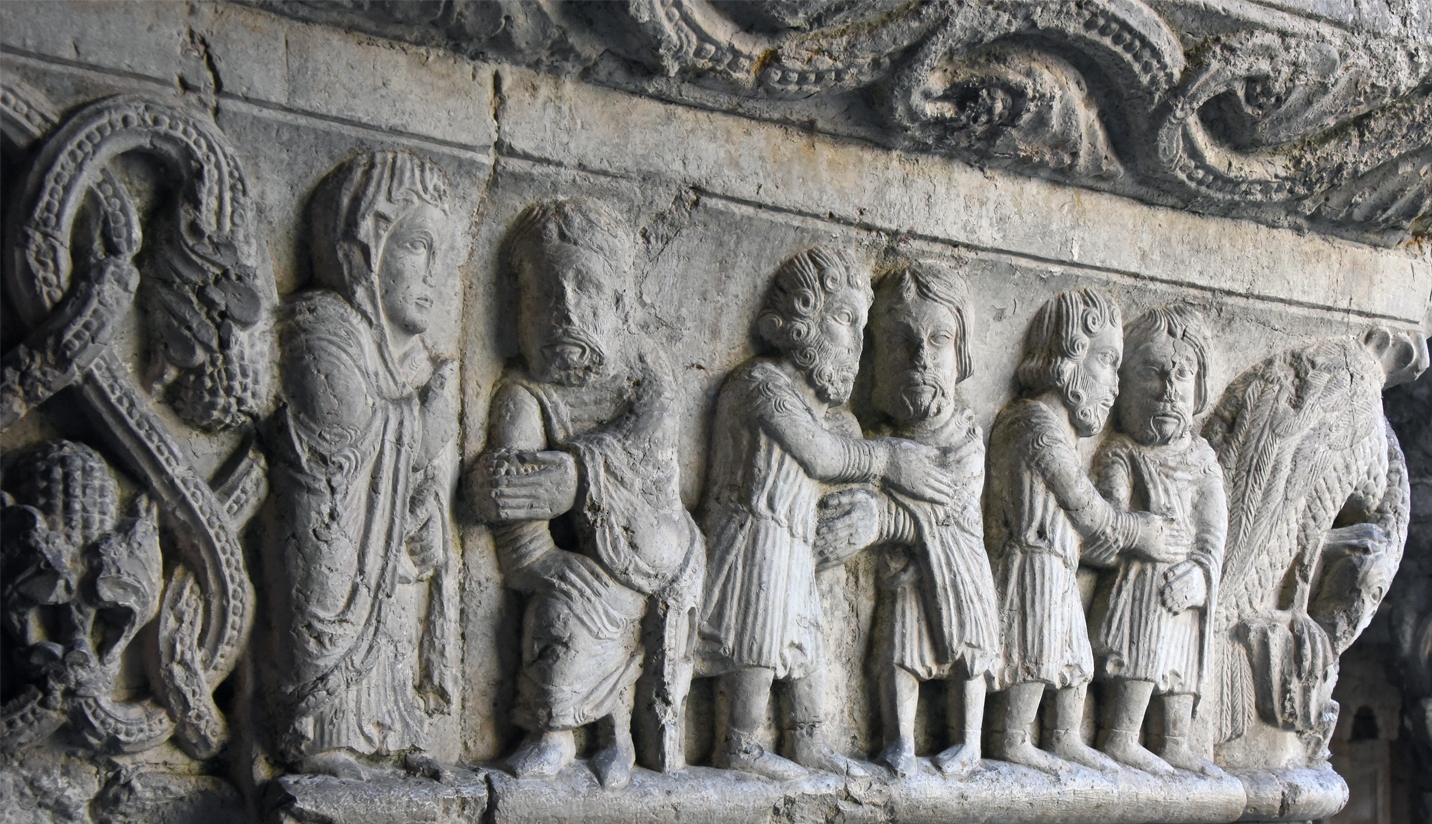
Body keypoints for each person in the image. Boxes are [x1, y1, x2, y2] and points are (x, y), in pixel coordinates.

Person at [471, 198, 702, 789]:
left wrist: (571, 477)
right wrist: (547, 561)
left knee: (629, 589)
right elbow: (506, 505)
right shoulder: (522, 394)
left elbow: (646, 459)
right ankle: (555, 735)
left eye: (587, 289)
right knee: (561, 610)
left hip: (660, 549)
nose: (566, 310)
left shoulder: (646, 371)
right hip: (574, 565)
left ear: (621, 305)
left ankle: (618, 736)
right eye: (545, 294)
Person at [698, 247, 954, 780]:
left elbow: (836, 455)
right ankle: (740, 742)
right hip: (755, 543)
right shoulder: (762, 385)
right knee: (758, 640)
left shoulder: (822, 411)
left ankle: (809, 739)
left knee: (805, 642)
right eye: (844, 318)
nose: (856, 341)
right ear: (800, 320)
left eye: (862, 326)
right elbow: (819, 456)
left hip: (793, 544)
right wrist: (888, 459)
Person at [274, 150, 460, 779]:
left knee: (399, 607)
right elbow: (344, 438)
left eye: (441, 255)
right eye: (417, 247)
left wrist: (427, 504)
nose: (433, 273)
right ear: (367, 245)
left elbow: (418, 475)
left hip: (392, 571)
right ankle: (319, 727)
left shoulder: (414, 360)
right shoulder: (320, 330)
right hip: (329, 559)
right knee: (329, 571)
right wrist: (426, 418)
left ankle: (393, 731)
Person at [986, 289, 1182, 776]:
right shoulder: (1034, 424)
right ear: (1069, 356)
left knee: (1074, 663)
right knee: (1032, 654)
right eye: (1108, 362)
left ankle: (1065, 738)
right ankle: (1011, 739)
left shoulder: (1061, 431)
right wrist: (1139, 531)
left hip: (1059, 565)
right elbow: (1087, 510)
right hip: (1031, 566)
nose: (1114, 385)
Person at [844, 264, 999, 778]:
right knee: (898, 651)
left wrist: (886, 517)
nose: (921, 358)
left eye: (938, 340)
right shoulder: (877, 440)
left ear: (962, 355)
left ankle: (970, 743)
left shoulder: (965, 436)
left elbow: (951, 503)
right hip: (906, 576)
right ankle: (899, 743)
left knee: (970, 654)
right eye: (901, 341)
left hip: (961, 570)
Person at [1089, 304, 1227, 776]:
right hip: (1138, 591)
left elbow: (1212, 532)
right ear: (1124, 383)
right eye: (1153, 372)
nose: (1169, 389)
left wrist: (1201, 574)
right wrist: (1137, 537)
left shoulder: (1203, 459)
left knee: (1181, 659)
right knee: (1143, 645)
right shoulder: (1122, 452)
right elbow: (1107, 523)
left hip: (1185, 592)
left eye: (1181, 374)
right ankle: (1121, 737)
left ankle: (1175, 742)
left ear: (1198, 387)